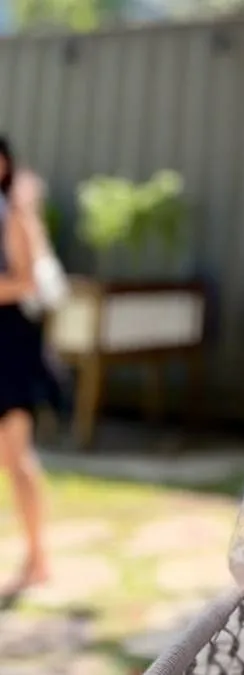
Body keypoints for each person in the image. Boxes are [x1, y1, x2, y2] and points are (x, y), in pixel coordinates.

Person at [0, 136, 50, 599]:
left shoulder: (14, 214)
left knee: (17, 458)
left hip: (9, 349)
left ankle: (38, 557)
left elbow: (27, 281)